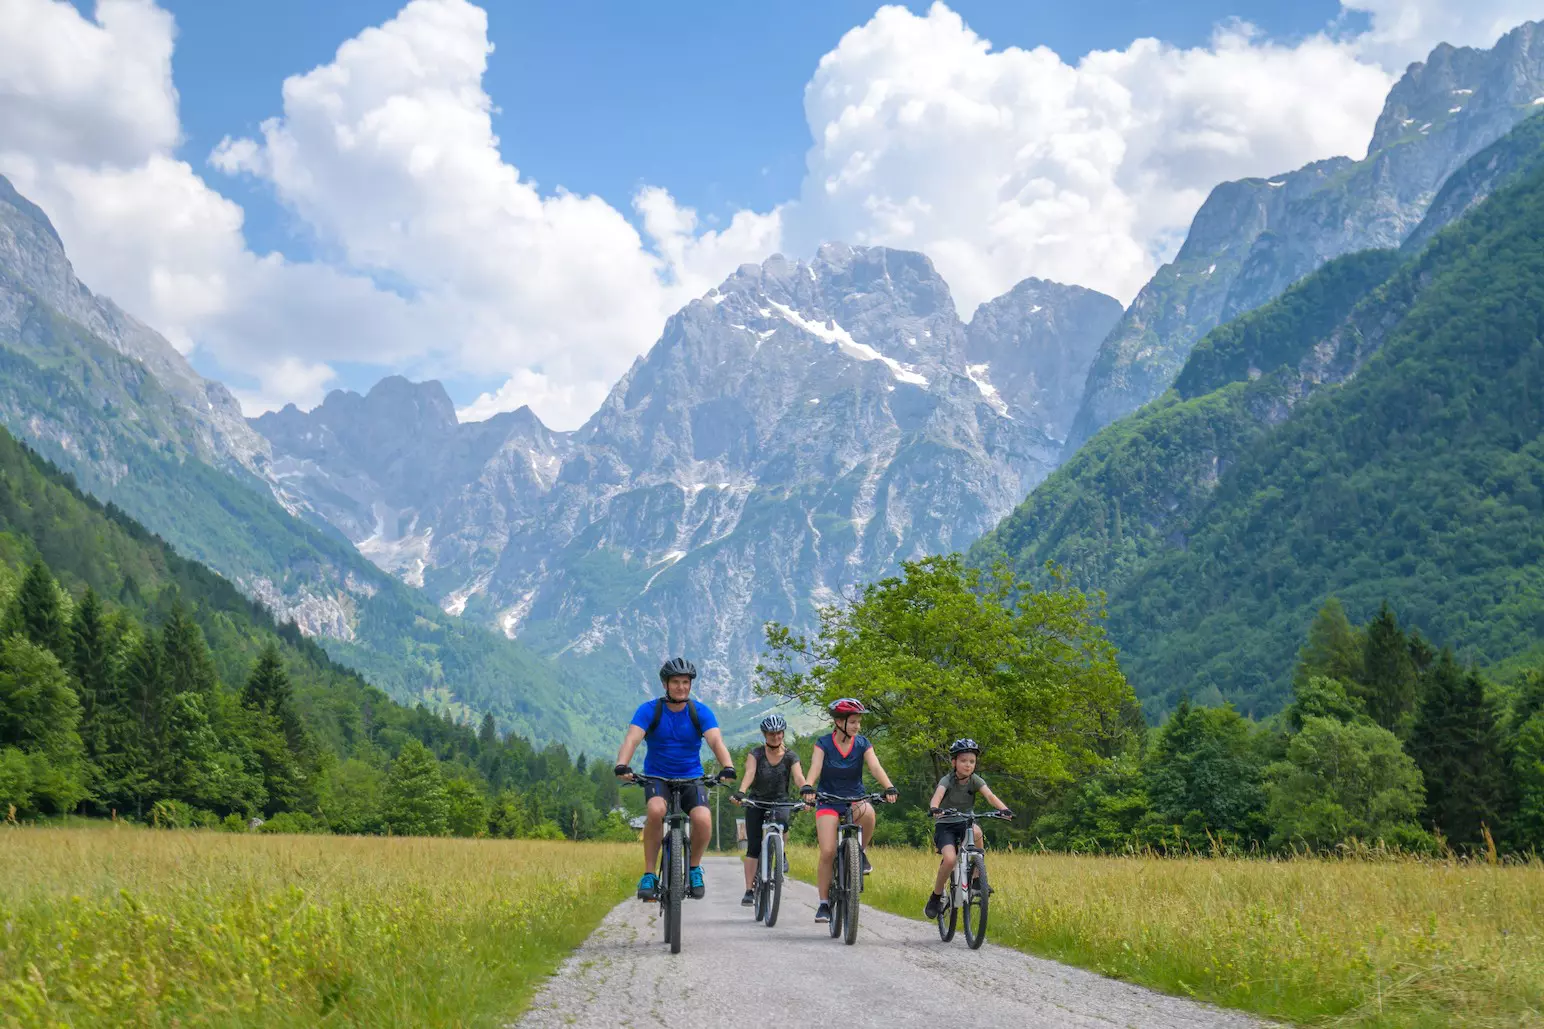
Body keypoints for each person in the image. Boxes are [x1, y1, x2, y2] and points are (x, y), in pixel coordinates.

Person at [614, 657, 736, 901]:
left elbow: (715, 741)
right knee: (656, 810)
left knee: (702, 818)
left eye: (685, 682)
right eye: (676, 682)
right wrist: (622, 764)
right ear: (665, 684)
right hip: (657, 777)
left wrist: (728, 766)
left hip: (691, 777)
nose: (681, 687)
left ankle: (694, 867)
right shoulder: (650, 710)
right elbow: (633, 738)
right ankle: (649, 873)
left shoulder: (699, 711)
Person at [799, 697, 898, 923]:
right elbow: (815, 767)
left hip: (855, 799)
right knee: (827, 852)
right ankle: (824, 903)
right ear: (839, 722)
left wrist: (889, 786)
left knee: (870, 813)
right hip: (828, 800)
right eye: (853, 721)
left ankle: (859, 853)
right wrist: (808, 786)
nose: (857, 726)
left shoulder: (862, 743)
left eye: (858, 722)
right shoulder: (823, 743)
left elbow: (875, 766)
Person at [923, 738, 1012, 919]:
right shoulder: (947, 780)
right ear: (954, 762)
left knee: (978, 831)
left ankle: (978, 878)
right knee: (949, 860)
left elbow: (990, 796)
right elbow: (937, 796)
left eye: (972, 761)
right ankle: (936, 896)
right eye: (963, 761)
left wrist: (1003, 809)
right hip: (946, 825)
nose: (968, 765)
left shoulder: (975, 780)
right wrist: (934, 808)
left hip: (965, 822)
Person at [730, 713, 808, 905]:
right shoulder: (755, 753)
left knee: (783, 824)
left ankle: (781, 853)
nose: (776, 737)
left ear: (783, 733)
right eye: (772, 734)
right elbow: (750, 773)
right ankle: (749, 890)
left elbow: (798, 777)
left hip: (781, 800)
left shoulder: (791, 756)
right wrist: (741, 792)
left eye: (779, 733)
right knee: (753, 847)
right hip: (757, 801)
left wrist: (806, 792)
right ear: (765, 734)